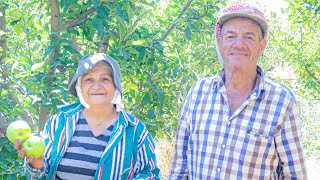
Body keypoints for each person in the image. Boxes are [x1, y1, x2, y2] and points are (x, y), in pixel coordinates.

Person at [168, 4, 307, 179]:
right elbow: (179, 169)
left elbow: (294, 175)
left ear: (262, 45)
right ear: (220, 42)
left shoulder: (283, 102)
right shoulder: (197, 93)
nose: (239, 44)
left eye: (249, 37)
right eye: (230, 36)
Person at [14, 53, 160, 179]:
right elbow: (39, 174)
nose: (96, 86)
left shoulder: (134, 130)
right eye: (88, 79)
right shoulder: (59, 122)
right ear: (79, 87)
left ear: (115, 86)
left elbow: (150, 173)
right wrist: (36, 163)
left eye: (105, 79)